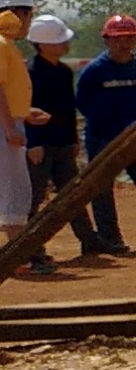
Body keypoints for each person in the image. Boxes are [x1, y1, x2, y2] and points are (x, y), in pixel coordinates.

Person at [74, 14, 136, 255]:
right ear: (106, 41)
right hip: (101, 137)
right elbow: (82, 101)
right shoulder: (95, 71)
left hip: (135, 139)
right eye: (117, 39)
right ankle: (110, 239)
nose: (124, 43)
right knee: (102, 190)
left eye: (129, 38)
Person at [23, 17, 80, 261]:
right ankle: (31, 249)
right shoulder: (30, 73)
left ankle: (89, 240)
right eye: (60, 40)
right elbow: (26, 109)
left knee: (75, 194)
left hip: (62, 143)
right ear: (42, 45)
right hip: (41, 145)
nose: (66, 43)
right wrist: (33, 142)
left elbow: (69, 109)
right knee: (34, 198)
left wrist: (73, 138)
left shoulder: (64, 72)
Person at [0, 0, 34, 250]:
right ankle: (16, 254)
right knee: (15, 188)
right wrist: (11, 125)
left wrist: (25, 113)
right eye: (29, 15)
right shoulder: (1, 44)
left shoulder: (6, 45)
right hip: (4, 126)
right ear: (17, 14)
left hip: (9, 121)